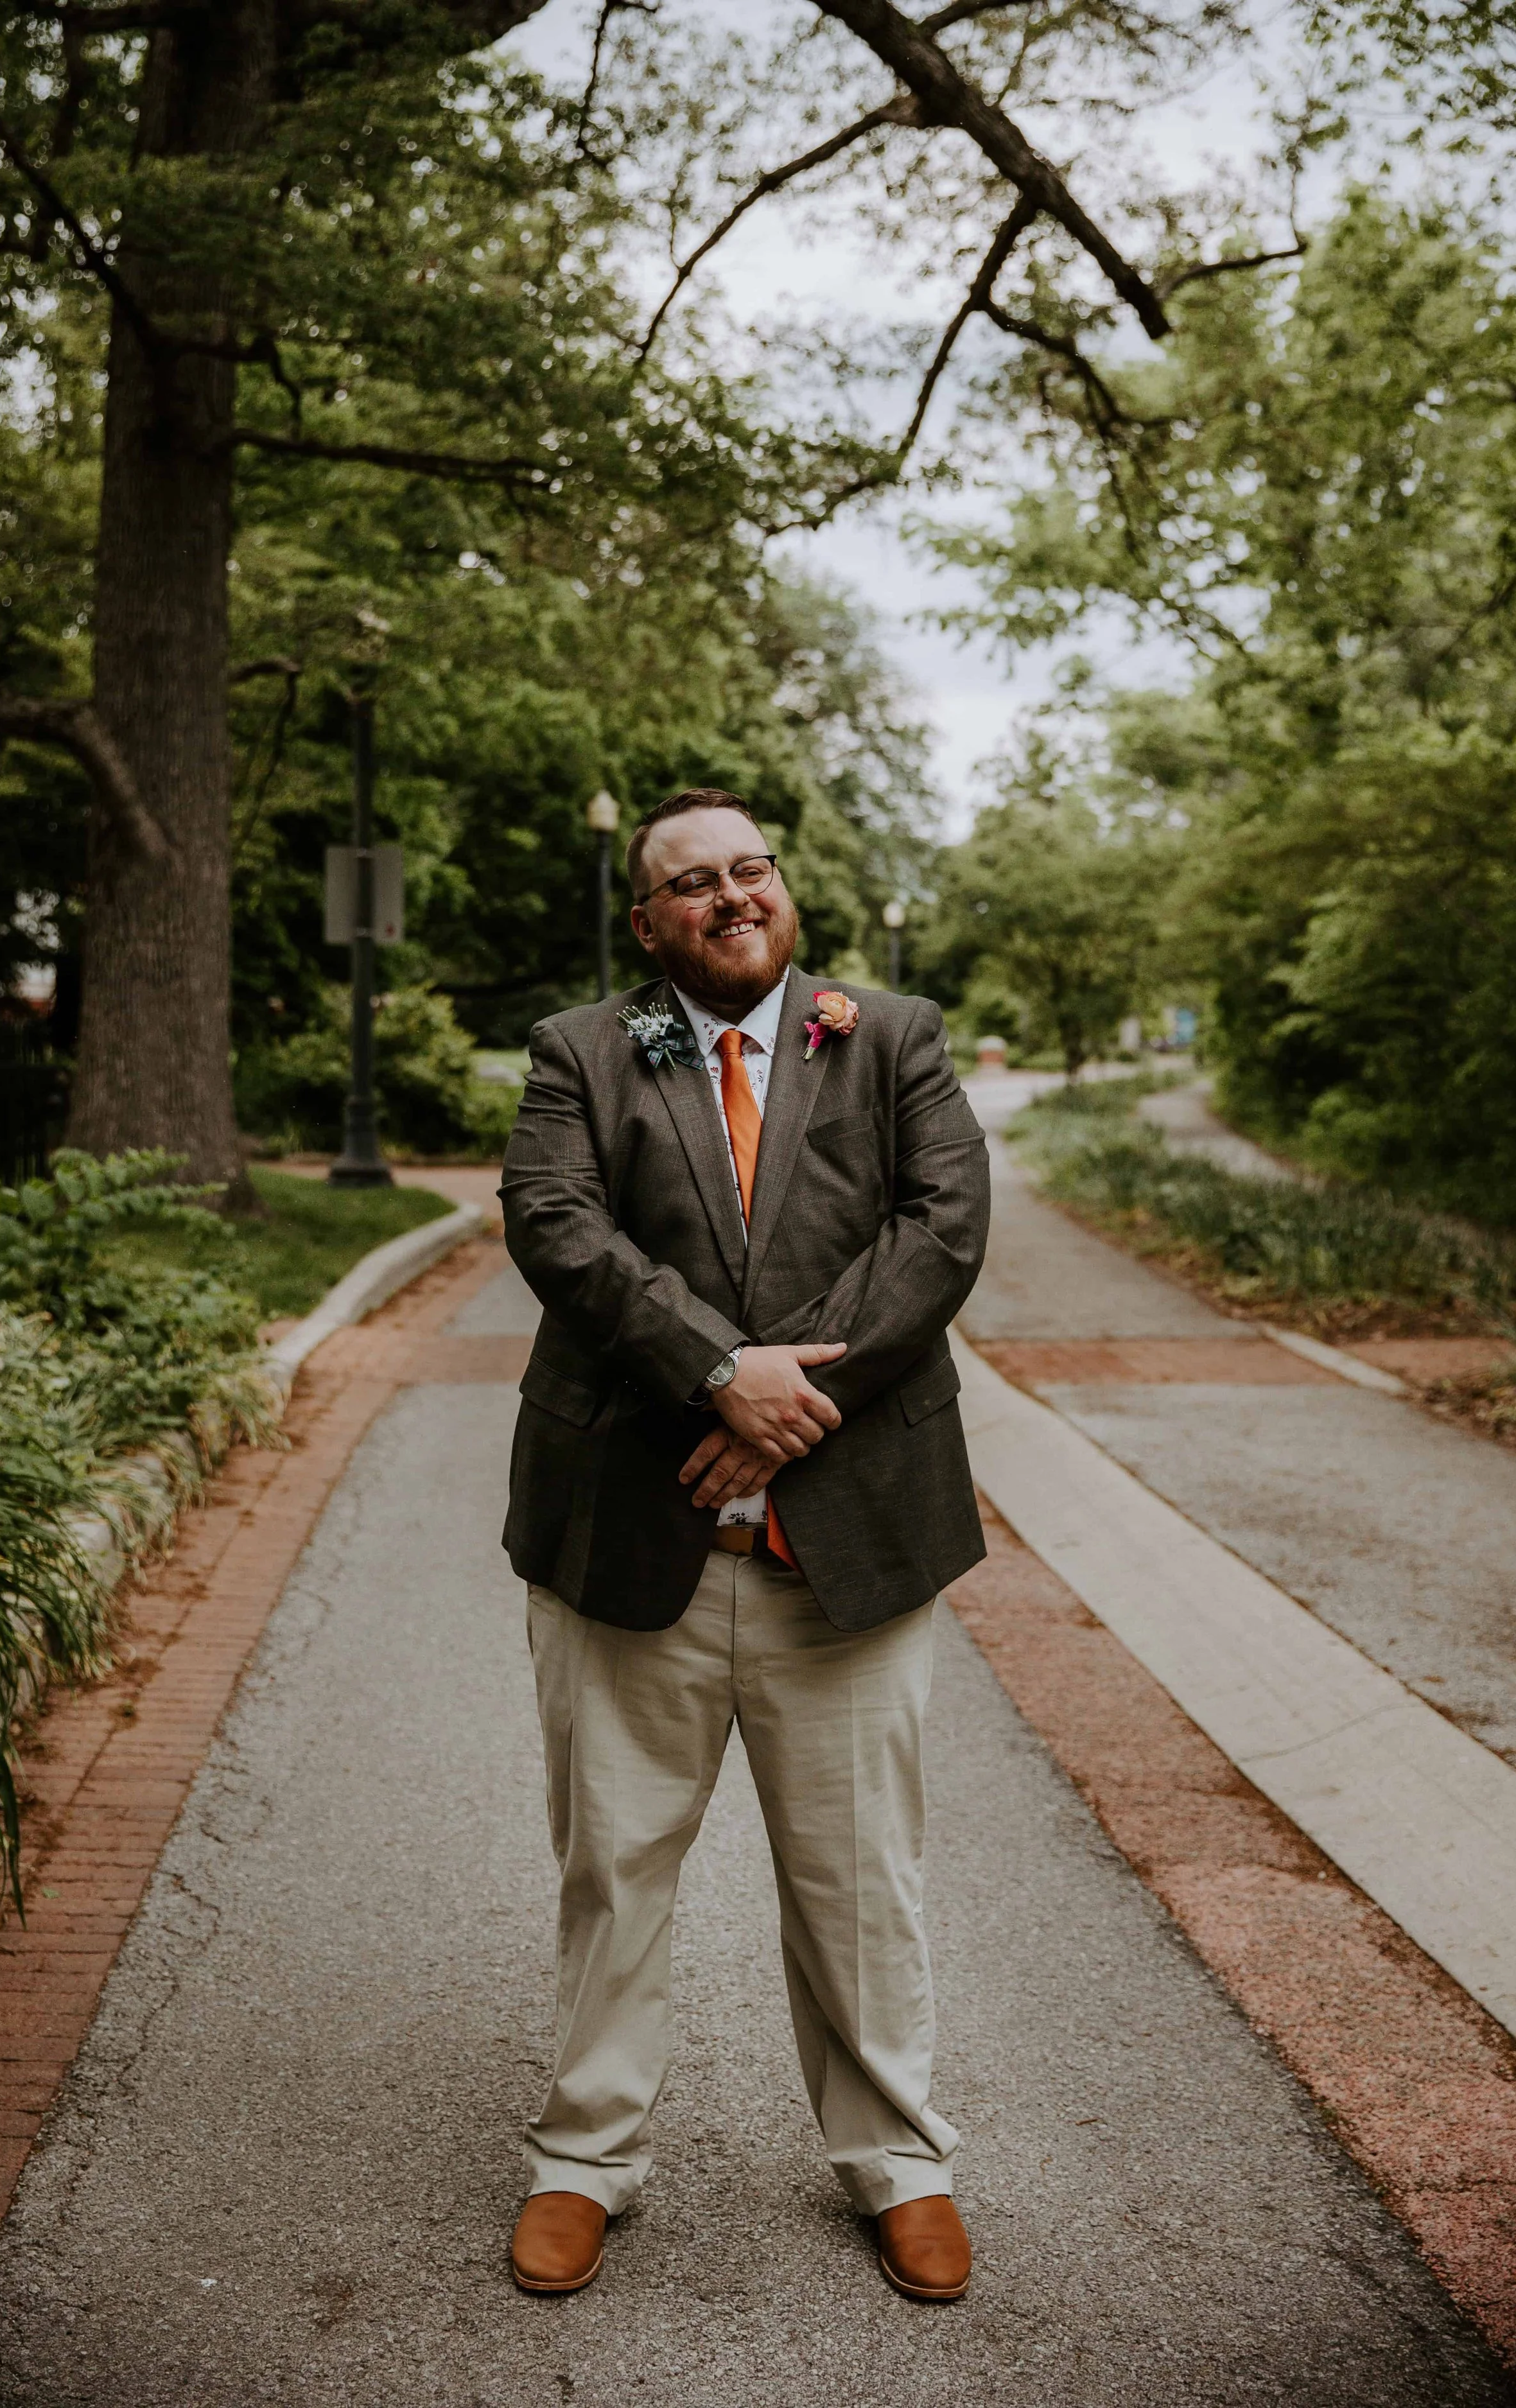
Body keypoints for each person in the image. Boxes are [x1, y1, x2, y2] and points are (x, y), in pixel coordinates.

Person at [499, 786, 990, 2302]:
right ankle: (584, 2157)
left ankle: (897, 2160)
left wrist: (781, 1407)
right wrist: (719, 1372)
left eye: (750, 868)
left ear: (783, 887)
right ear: (647, 922)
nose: (731, 896)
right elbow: (557, 1226)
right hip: (625, 1538)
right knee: (613, 1868)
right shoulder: (579, 1052)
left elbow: (939, 1231)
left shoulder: (891, 1038)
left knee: (859, 1881)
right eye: (692, 881)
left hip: (844, 1550)